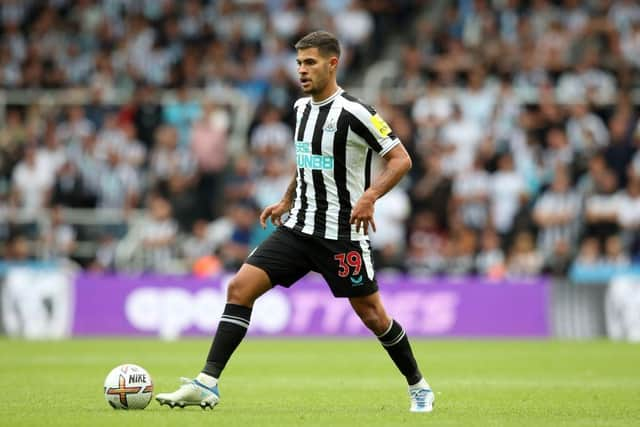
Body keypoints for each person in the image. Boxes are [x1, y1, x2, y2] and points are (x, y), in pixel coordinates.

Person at [155, 30, 434, 413]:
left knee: (373, 316)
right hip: (298, 227)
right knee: (240, 287)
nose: (301, 70)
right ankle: (207, 382)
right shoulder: (302, 109)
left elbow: (401, 159)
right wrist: (286, 199)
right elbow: (306, 160)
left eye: (310, 62)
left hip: (341, 234)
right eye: (299, 62)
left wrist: (370, 197)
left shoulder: (356, 112)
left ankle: (418, 385)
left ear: (332, 63)